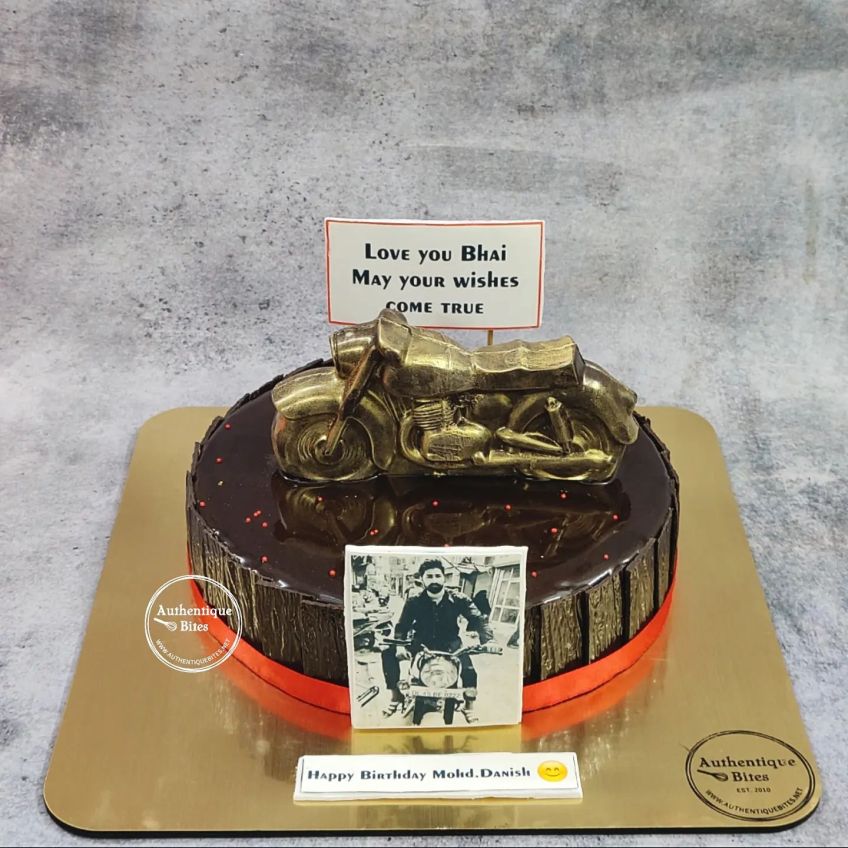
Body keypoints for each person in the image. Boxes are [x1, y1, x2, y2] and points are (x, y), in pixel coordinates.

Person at [381, 559, 494, 723]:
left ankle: (468, 706)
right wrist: (399, 646)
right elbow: (402, 626)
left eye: (437, 576)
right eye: (429, 576)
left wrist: (488, 641)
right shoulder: (414, 601)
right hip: (421, 643)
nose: (434, 580)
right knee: (387, 653)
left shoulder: (459, 599)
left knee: (469, 671)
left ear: (443, 578)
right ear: (422, 579)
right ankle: (396, 695)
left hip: (451, 645)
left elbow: (478, 620)